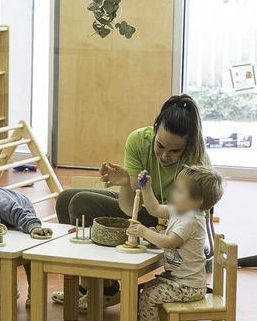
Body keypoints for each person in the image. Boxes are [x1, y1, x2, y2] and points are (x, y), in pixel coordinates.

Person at [53, 94, 210, 308]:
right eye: (160, 146)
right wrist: (127, 181)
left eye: (175, 151)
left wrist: (130, 183)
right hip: (145, 208)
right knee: (65, 199)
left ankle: (100, 289)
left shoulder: (196, 158)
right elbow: (129, 208)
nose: (164, 156)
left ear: (188, 145)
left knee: (80, 203)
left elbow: (192, 215)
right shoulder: (138, 140)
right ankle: (94, 285)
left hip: (169, 222)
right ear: (155, 130)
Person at [125, 166, 223, 321]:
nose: (173, 193)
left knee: (148, 295)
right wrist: (147, 188)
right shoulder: (180, 210)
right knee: (146, 289)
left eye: (179, 190)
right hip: (177, 280)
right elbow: (154, 209)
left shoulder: (191, 220)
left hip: (188, 286)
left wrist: (144, 232)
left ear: (197, 201)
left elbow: (170, 242)